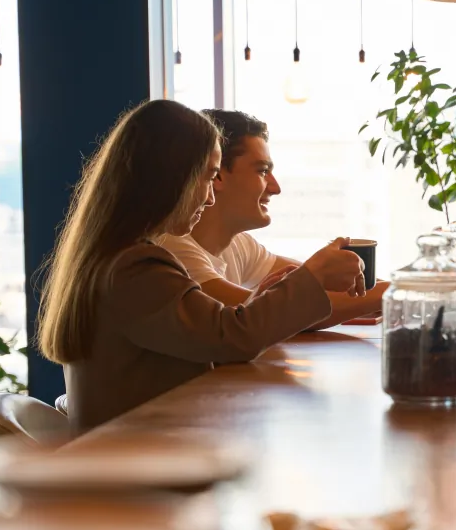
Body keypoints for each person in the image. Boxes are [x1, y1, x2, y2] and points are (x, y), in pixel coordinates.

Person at [37, 100, 367, 433]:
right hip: (141, 461)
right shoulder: (135, 267)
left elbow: (211, 334)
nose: (210, 197)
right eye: (208, 177)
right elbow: (233, 336)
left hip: (135, 450)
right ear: (170, 177)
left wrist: (268, 297)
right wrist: (313, 277)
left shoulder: (111, 255)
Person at [157, 110, 388, 329]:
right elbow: (268, 317)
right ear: (216, 174)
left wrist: (383, 290)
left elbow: (315, 288)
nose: (276, 188)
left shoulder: (239, 245)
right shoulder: (172, 250)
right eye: (262, 171)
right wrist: (395, 294)